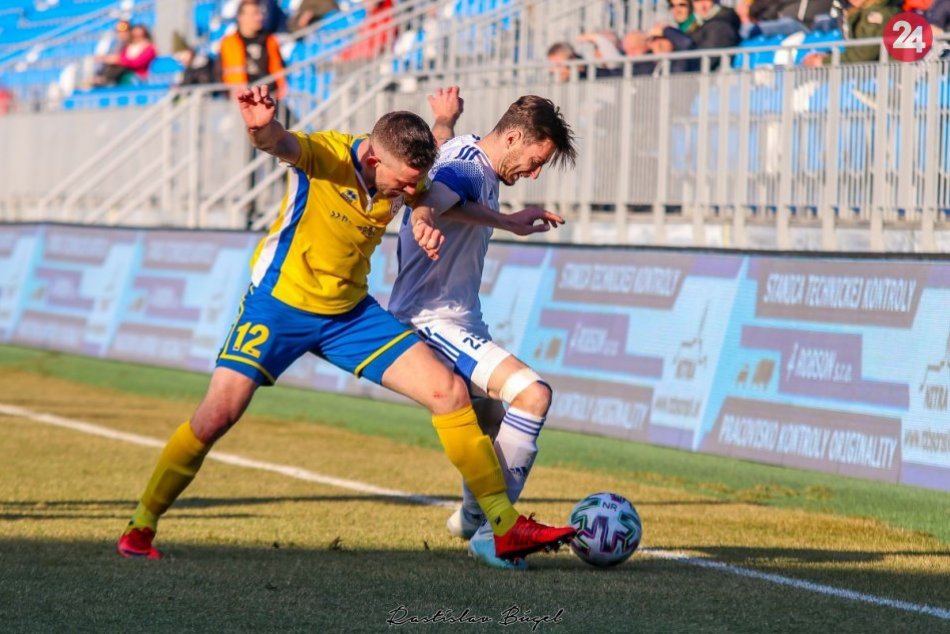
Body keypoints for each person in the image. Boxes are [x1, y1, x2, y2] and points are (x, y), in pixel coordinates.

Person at [116, 84, 576, 563]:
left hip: (349, 315)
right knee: (217, 417)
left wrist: (435, 156)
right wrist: (261, 129)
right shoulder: (328, 156)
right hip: (279, 306)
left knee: (449, 392)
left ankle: (503, 526)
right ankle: (142, 524)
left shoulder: (407, 171)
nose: (406, 193)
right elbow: (283, 144)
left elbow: (431, 181)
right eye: (401, 186)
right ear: (376, 162)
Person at [389, 90, 578, 569]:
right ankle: (497, 535)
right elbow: (431, 196)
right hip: (432, 319)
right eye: (535, 161)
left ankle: (473, 517)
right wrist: (499, 221)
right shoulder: (471, 167)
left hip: (456, 316)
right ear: (513, 136)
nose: (533, 174)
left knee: (492, 421)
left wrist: (442, 119)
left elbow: (440, 166)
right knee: (533, 395)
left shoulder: (464, 151)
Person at [220, 0, 288, 99]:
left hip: (270, 98)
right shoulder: (228, 43)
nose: (259, 17)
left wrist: (280, 89)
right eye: (254, 14)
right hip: (242, 99)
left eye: (260, 13)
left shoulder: (270, 40)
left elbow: (278, 69)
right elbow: (220, 73)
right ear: (241, 17)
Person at [801, 0, 902, 66]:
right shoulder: (862, 12)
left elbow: (864, 54)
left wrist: (824, 62)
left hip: (888, 80)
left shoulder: (878, 14)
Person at [93, 23, 157, 86]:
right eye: (134, 36)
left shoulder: (149, 48)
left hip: (137, 77)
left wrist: (119, 60)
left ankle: (104, 79)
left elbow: (136, 63)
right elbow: (123, 57)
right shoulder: (127, 47)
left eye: (140, 36)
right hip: (122, 76)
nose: (137, 39)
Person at [689, 0, 742, 70]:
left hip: (714, 77)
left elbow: (708, 59)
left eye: (706, 0)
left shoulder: (720, 25)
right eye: (697, 1)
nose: (702, 6)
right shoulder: (698, 23)